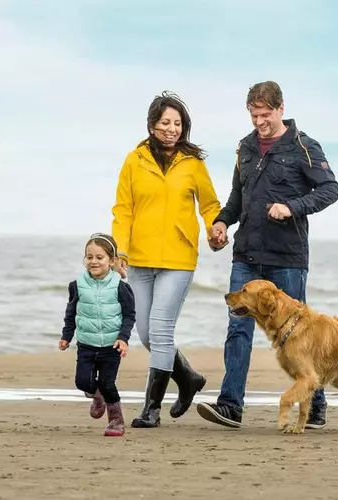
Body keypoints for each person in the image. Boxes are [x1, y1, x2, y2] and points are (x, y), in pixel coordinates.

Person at [196, 81, 338, 430]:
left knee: (301, 335)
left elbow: (330, 190)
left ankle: (315, 404)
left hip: (287, 257)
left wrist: (292, 207)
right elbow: (236, 197)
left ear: (280, 109)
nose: (259, 121)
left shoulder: (304, 146)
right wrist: (221, 223)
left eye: (265, 114)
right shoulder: (244, 148)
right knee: (237, 328)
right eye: (253, 114)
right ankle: (231, 406)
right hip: (247, 254)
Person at [111, 91, 223, 428]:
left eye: (178, 123)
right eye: (166, 123)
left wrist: (215, 229)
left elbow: (209, 204)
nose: (172, 129)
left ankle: (151, 409)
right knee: (145, 333)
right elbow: (123, 208)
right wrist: (120, 250)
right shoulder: (135, 160)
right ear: (152, 125)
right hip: (140, 260)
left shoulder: (193, 163)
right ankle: (188, 377)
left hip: (178, 257)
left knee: (160, 330)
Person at [59, 233, 136, 437]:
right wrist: (67, 335)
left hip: (112, 346)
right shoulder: (77, 285)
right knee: (82, 382)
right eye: (89, 256)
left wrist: (123, 338)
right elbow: (71, 312)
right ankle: (97, 396)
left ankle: (116, 421)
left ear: (111, 261)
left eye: (99, 257)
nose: (93, 261)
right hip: (86, 343)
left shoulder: (121, 287)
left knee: (107, 383)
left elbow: (129, 316)